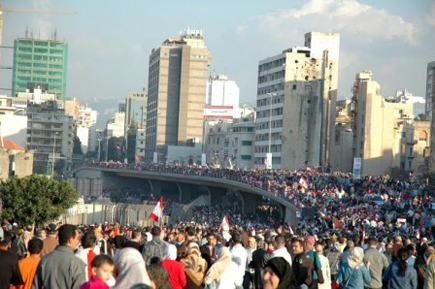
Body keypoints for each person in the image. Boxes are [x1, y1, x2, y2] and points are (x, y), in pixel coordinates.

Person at [33, 224, 86, 289]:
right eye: (77, 238)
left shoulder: (44, 260)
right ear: (70, 239)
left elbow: (35, 286)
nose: (78, 241)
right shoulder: (77, 263)